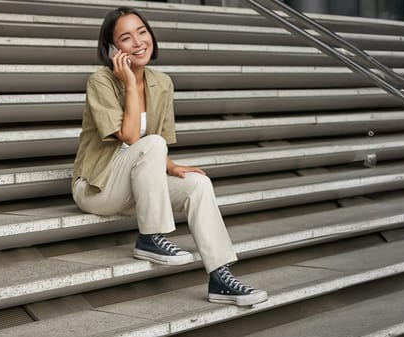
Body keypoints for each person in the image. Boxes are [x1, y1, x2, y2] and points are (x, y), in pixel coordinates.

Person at [71, 6, 268, 306]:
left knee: (198, 185)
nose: (138, 42)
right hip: (97, 188)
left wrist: (173, 167)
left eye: (142, 32)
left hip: (134, 185)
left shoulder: (162, 83)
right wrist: (128, 84)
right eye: (126, 38)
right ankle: (151, 237)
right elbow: (132, 138)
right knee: (151, 142)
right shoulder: (100, 81)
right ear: (112, 49)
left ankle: (219, 277)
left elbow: (153, 147)